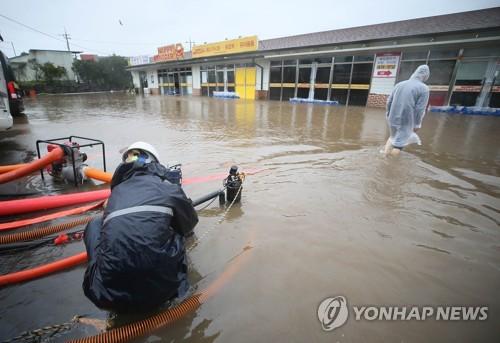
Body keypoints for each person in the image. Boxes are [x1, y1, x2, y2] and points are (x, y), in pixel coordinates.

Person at [82, 141, 198, 313]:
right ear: (155, 164)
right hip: (164, 291)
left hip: (106, 295)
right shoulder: (167, 188)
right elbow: (189, 224)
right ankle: (178, 283)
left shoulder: (116, 195)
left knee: (95, 224)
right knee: (177, 228)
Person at [384, 65, 430, 156]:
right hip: (407, 120)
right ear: (426, 76)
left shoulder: (399, 84)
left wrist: (388, 114)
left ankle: (385, 156)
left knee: (392, 137)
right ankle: (390, 166)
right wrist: (417, 124)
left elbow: (389, 101)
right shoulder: (424, 89)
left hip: (392, 117)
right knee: (399, 145)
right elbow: (419, 109)